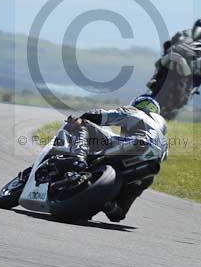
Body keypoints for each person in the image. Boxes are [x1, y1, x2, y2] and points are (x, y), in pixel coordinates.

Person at [56, 94, 168, 222]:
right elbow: (164, 156)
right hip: (148, 168)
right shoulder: (162, 127)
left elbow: (103, 115)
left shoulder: (134, 111)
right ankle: (111, 205)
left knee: (84, 125)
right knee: (118, 213)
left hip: (134, 145)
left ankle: (78, 159)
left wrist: (83, 117)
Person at [147, 18, 201, 96]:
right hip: (182, 65)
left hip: (182, 64)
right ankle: (155, 79)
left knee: (161, 63)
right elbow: (168, 44)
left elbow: (167, 44)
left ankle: (154, 79)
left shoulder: (183, 34)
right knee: (162, 63)